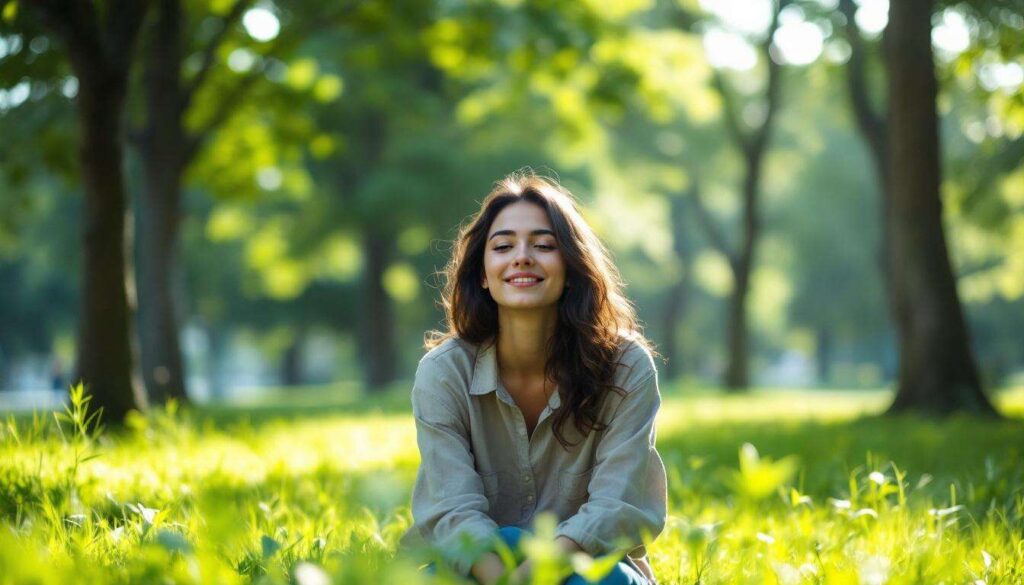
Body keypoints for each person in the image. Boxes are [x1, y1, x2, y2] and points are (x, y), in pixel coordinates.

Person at [402, 171, 667, 584]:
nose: (522, 256)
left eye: (544, 245)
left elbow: (617, 506)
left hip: (584, 567)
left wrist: (533, 576)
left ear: (572, 268)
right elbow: (454, 512)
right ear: (483, 276)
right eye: (503, 246)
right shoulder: (443, 373)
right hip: (480, 568)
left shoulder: (626, 367)